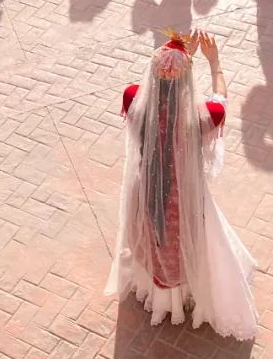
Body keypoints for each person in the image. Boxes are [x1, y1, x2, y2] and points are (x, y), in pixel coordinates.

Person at [105, 30, 257, 339]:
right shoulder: (200, 118)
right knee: (183, 241)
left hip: (146, 189)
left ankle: (157, 291)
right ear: (188, 81)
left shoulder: (134, 100)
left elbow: (146, 89)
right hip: (182, 196)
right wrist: (214, 63)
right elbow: (220, 100)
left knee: (152, 236)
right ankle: (184, 292)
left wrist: (175, 57)